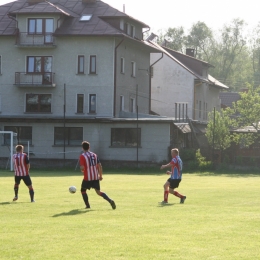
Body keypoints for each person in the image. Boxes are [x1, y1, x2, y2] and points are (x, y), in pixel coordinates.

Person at [79, 141, 116, 210]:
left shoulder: (82, 156)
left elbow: (82, 167)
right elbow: (100, 166)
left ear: (82, 148)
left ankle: (87, 206)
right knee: (99, 192)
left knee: (83, 191)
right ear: (89, 147)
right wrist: (100, 175)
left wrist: (82, 171)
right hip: (95, 177)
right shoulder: (94, 155)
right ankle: (110, 200)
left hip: (88, 178)